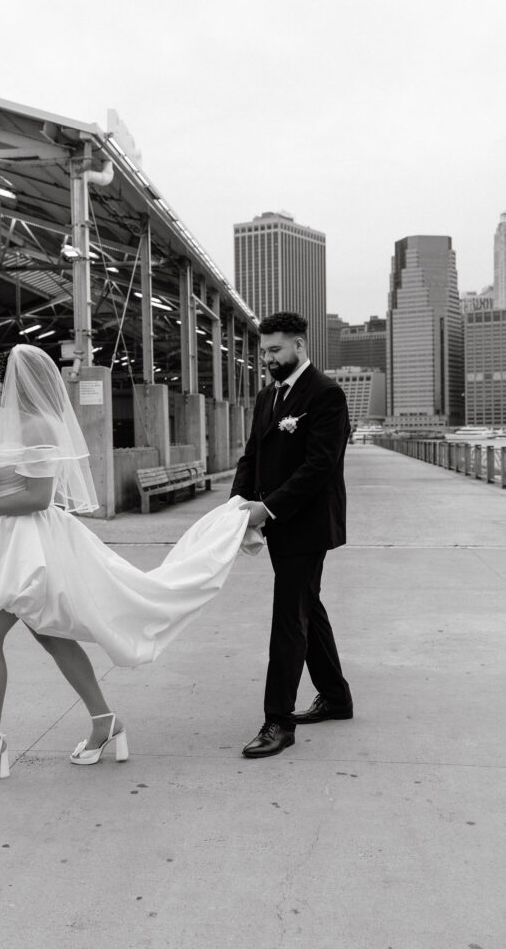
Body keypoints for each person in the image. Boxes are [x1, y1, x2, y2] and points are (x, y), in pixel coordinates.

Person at [0, 344, 262, 786]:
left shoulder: (37, 425)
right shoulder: (10, 428)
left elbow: (39, 496)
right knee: (52, 635)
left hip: (30, 545)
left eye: (2, 377)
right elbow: (7, 483)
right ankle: (104, 721)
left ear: (19, 380)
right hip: (13, 542)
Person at [231, 311, 353, 759]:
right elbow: (252, 455)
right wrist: (237, 504)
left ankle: (278, 722)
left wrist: (268, 507)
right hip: (277, 521)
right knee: (307, 608)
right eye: (263, 351)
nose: (267, 358)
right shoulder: (268, 397)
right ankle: (336, 698)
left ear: (300, 346)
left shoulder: (325, 394)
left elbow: (319, 467)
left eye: (275, 350)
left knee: (289, 619)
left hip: (308, 524)